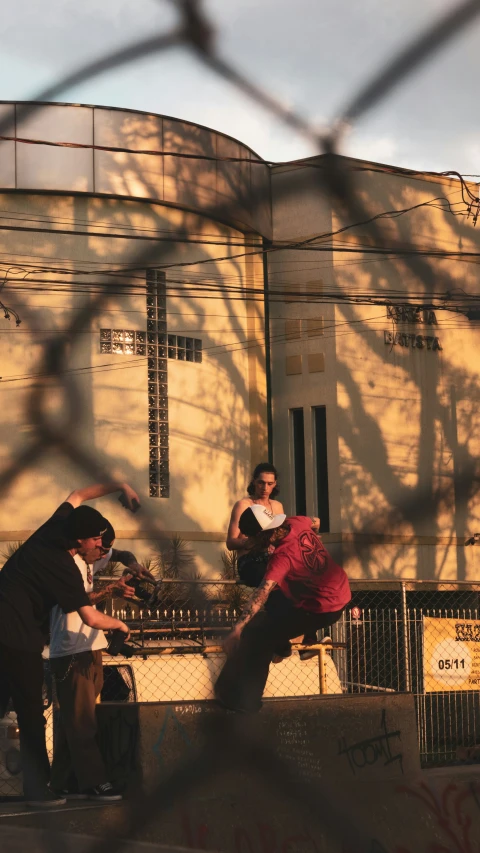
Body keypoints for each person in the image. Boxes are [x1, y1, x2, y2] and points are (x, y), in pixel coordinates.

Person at [0, 482, 138, 808]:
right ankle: (36, 790)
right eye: (97, 542)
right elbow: (89, 616)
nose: (101, 547)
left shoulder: (56, 526)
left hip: (9, 628)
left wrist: (120, 484)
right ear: (80, 541)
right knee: (31, 713)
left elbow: (79, 494)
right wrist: (120, 624)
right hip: (17, 636)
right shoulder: (61, 567)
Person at [48, 522, 150, 803]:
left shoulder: (91, 558)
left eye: (105, 549)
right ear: (86, 542)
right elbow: (78, 603)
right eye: (99, 547)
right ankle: (94, 783)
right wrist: (113, 590)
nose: (103, 554)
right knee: (82, 722)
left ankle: (62, 781)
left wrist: (133, 565)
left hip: (90, 647)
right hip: (70, 651)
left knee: (78, 719)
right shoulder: (66, 565)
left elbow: (122, 553)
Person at [215, 506, 351, 713]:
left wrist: (237, 628)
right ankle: (282, 644)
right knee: (276, 605)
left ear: (263, 534)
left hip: (321, 608)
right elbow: (316, 521)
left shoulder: (282, 558)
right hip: (340, 590)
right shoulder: (297, 522)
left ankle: (244, 701)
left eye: (253, 537)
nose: (251, 543)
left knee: (257, 634)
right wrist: (313, 539)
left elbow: (261, 593)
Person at [226, 463, 284, 589]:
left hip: (273, 561)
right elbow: (230, 542)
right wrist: (251, 542)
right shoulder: (243, 505)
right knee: (269, 576)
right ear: (253, 482)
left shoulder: (277, 506)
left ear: (275, 484)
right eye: (261, 483)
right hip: (250, 562)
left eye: (269, 484)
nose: (265, 488)